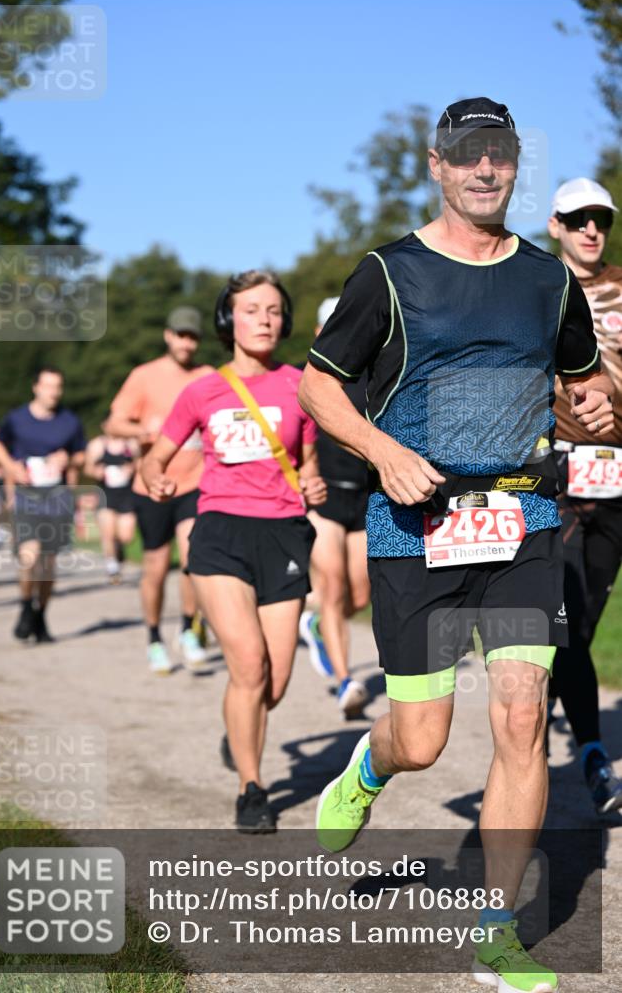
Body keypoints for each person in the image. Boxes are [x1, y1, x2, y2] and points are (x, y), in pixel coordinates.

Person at [299, 97, 614, 993]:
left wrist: (586, 408)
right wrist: (386, 452)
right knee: (424, 740)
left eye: (500, 155)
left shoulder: (547, 280)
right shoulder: (387, 273)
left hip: (521, 522)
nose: (484, 170)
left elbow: (577, 383)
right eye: (466, 155)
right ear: (436, 166)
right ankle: (372, 763)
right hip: (415, 525)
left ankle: (493, 934)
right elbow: (318, 388)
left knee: (522, 721)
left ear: (515, 165)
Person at [142, 270, 326, 832]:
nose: (264, 320)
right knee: (247, 666)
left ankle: (237, 727)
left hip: (284, 535)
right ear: (229, 320)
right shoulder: (202, 390)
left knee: (274, 682)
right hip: (220, 530)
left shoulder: (303, 385)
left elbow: (309, 461)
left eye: (273, 310)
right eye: (251, 310)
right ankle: (252, 787)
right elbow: (157, 455)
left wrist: (313, 483)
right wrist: (155, 476)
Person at [547, 177, 622, 814]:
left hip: (620, 472)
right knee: (567, 616)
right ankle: (596, 757)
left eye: (600, 219)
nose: (591, 230)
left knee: (586, 616)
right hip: (560, 472)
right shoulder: (538, 287)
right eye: (578, 220)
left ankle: (539, 698)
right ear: (556, 225)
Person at [106, 307, 213, 673]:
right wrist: (141, 431)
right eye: (181, 335)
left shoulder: (208, 377)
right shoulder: (144, 376)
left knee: (192, 558)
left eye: (193, 336)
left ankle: (187, 630)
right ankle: (154, 638)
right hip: (152, 486)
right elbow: (114, 422)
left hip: (196, 482)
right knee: (154, 567)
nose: (186, 342)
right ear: (168, 336)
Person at [299, 296, 371, 718]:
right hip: (324, 499)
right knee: (332, 584)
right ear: (318, 332)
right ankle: (346, 682)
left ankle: (315, 627)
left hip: (362, 497)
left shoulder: (373, 373)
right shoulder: (307, 382)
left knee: (359, 592)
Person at [0, 367, 86, 642]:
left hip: (56, 497)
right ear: (36, 387)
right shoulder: (17, 418)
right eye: (48, 386)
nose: (54, 392)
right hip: (26, 496)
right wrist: (11, 467)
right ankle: (24, 605)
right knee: (29, 555)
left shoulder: (69, 421)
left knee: (48, 563)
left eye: (58, 386)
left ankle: (41, 614)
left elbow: (82, 454)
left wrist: (68, 459)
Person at [84, 433, 139, 582]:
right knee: (107, 533)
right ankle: (112, 567)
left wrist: (132, 468)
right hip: (105, 494)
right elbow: (87, 468)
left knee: (126, 536)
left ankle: (119, 548)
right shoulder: (98, 445)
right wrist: (96, 471)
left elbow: (142, 463)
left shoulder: (131, 443)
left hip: (127, 495)